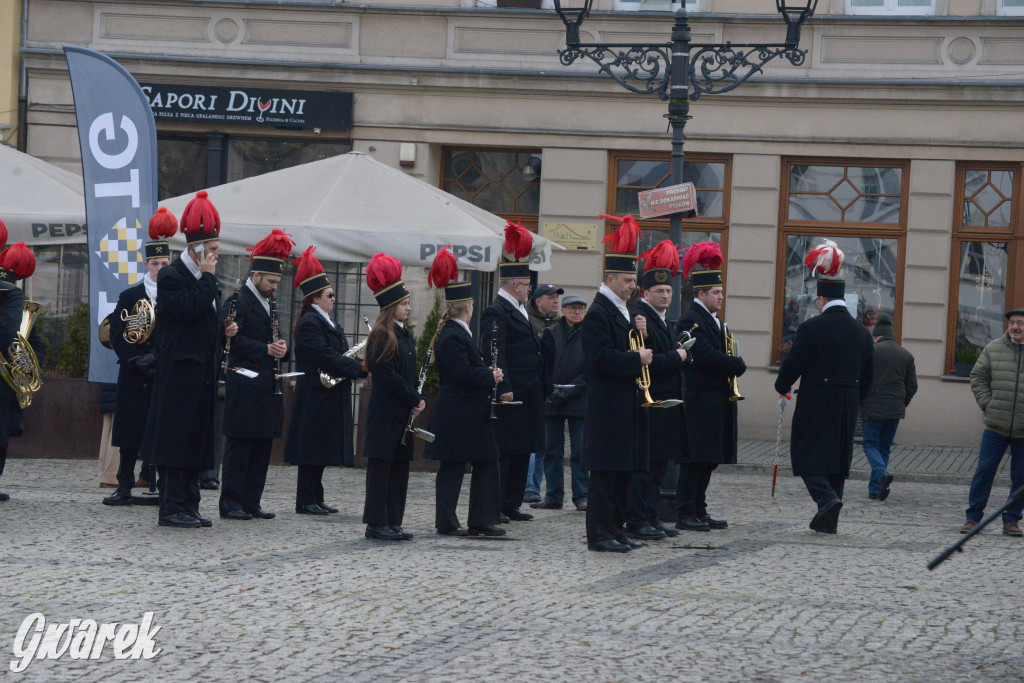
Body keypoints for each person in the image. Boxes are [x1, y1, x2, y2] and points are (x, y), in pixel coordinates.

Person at [145, 191, 233, 529]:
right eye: (212, 249)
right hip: (179, 373)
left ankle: (190, 504)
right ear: (196, 249)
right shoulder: (172, 275)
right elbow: (186, 310)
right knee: (176, 441)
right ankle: (171, 507)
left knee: (196, 441)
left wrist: (224, 328)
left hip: (202, 374)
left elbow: (203, 319)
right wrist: (207, 279)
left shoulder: (206, 281)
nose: (216, 255)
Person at [775, 240, 873, 535]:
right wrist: (858, 400)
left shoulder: (812, 327)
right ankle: (829, 520)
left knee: (805, 453)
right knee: (838, 459)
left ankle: (826, 499)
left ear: (820, 300)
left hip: (817, 398)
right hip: (849, 400)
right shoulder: (862, 332)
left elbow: (795, 362)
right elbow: (869, 374)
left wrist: (782, 385)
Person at [582, 214, 651, 553]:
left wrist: (640, 337)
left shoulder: (623, 309)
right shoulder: (598, 312)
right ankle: (599, 534)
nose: (632, 285)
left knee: (622, 472)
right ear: (609, 279)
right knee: (605, 475)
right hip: (607, 406)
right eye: (626, 280)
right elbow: (600, 359)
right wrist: (636, 358)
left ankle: (617, 529)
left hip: (625, 404)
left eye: (634, 280)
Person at [424, 254, 506, 537]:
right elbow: (461, 374)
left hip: (471, 412)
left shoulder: (458, 333)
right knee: (453, 466)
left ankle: (481, 519)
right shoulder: (452, 335)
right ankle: (447, 521)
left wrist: (487, 373)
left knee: (486, 461)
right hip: (458, 412)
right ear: (468, 307)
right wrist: (490, 376)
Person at [218, 230, 294, 521]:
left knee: (262, 444)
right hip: (244, 381)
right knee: (241, 445)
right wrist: (265, 349)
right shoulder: (238, 300)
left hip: (266, 384)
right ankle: (231, 502)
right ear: (257, 275)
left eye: (277, 283)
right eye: (271, 281)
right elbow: (231, 341)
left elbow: (275, 339)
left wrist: (282, 348)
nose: (274, 287)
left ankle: (252, 501)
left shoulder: (268, 302)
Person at [285, 246, 365, 516]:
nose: (334, 299)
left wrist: (355, 363)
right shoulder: (310, 322)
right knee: (310, 449)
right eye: (329, 295)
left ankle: (316, 497)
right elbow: (325, 356)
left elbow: (339, 352)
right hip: (314, 392)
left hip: (328, 391)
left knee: (319, 448)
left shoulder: (328, 321)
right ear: (316, 298)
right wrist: (357, 369)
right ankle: (305, 500)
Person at [103, 207, 175, 507]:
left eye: (164, 263)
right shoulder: (130, 296)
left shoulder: (175, 295)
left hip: (162, 371)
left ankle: (159, 485)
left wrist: (157, 357)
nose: (159, 267)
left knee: (161, 431)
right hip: (134, 372)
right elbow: (117, 333)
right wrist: (135, 359)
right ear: (146, 264)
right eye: (154, 263)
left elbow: (176, 333)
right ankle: (124, 485)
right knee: (129, 433)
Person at [676, 242, 744, 532]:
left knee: (708, 460)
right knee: (696, 459)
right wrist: (735, 364)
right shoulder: (691, 320)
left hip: (715, 400)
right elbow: (703, 356)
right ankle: (685, 511)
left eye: (721, 292)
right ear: (701, 294)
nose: (721, 297)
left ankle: (699, 509)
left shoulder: (715, 321)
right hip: (699, 401)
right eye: (716, 292)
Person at [480, 219, 545, 524]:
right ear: (516, 285)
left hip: (529, 389)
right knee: (507, 450)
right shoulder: (497, 311)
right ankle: (498, 503)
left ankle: (512, 503)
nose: (530, 290)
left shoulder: (520, 309)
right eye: (528, 285)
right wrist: (502, 386)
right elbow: (495, 351)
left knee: (523, 449)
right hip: (512, 390)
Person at [361, 252, 425, 541]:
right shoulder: (381, 334)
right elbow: (386, 375)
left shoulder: (405, 335)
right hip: (386, 413)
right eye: (404, 303)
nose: (408, 308)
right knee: (381, 469)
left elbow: (409, 374)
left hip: (402, 413)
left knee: (399, 469)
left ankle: (394, 519)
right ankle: (377, 522)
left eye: (408, 303)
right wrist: (412, 396)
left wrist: (418, 398)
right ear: (391, 307)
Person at [626, 240, 688, 541]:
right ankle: (638, 519)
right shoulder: (641, 317)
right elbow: (646, 361)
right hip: (651, 403)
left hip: (666, 404)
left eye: (668, 291)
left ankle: (652, 517)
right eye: (659, 291)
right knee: (646, 467)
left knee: (659, 466)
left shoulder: (661, 320)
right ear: (645, 293)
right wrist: (677, 357)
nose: (665, 295)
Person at [962, 307, 1024, 537]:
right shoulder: (994, 348)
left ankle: (1012, 520)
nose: (1015, 327)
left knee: (1021, 477)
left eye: (1020, 323)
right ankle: (973, 517)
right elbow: (978, 377)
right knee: (985, 471)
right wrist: (987, 403)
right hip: (995, 424)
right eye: (1012, 323)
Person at [531, 294, 589, 512]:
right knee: (551, 451)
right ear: (563, 311)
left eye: (581, 308)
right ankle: (553, 496)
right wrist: (549, 390)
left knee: (579, 452)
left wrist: (571, 390)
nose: (577, 312)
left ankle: (582, 496)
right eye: (573, 308)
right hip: (553, 398)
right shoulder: (552, 332)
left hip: (579, 398)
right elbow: (543, 365)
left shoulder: (590, 334)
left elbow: (591, 369)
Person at [0, 236, 45, 502]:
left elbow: (33, 343)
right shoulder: (13, 295)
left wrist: (31, 364)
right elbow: (9, 336)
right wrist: (26, 365)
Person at [860, 313, 917, 501]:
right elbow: (912, 386)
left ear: (876, 336)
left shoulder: (870, 352)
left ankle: (881, 473)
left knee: (870, 444)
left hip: (873, 407)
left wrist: (861, 401)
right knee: (884, 448)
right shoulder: (906, 355)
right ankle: (875, 490)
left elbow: (861, 379)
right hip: (895, 410)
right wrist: (901, 402)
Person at [524, 283, 563, 504]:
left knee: (545, 444)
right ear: (538, 302)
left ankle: (537, 488)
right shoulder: (528, 322)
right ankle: (529, 486)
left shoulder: (561, 323)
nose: (556, 301)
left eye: (557, 297)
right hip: (534, 388)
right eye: (551, 297)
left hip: (556, 389)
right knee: (532, 441)